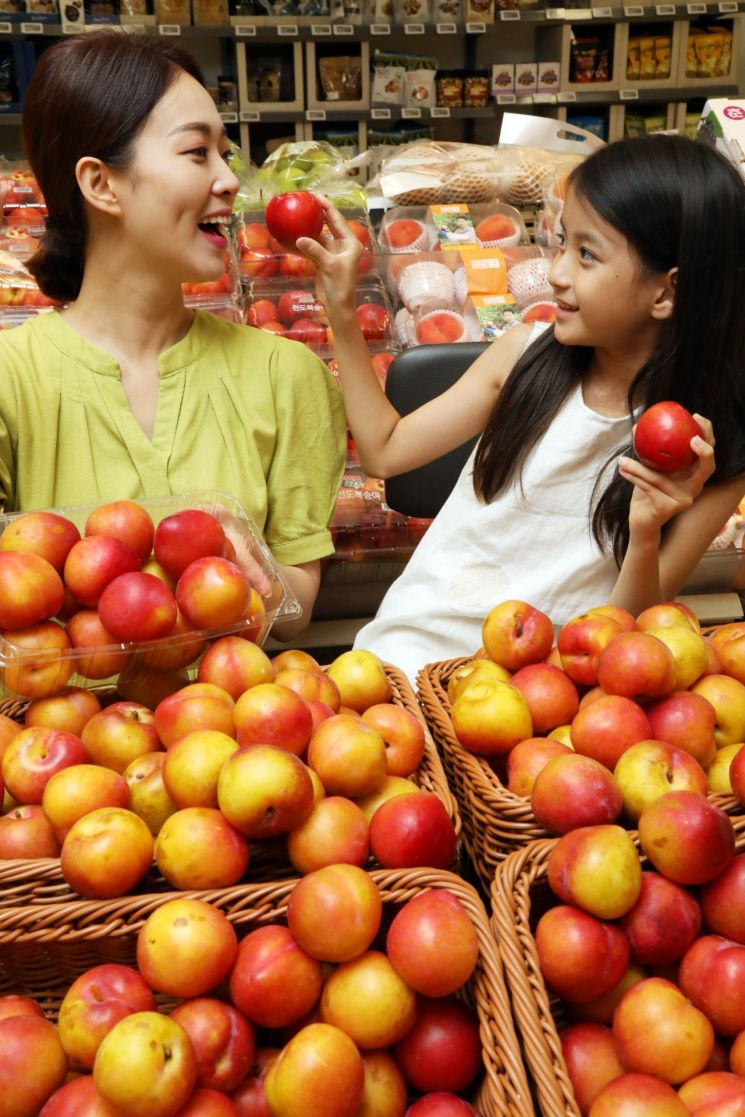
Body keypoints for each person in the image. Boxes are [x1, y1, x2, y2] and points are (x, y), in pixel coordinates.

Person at [303, 134, 745, 679]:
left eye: (586, 254)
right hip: (406, 659)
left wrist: (648, 528)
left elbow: (629, 637)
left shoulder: (711, 450)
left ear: (665, 293)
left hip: (545, 701)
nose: (555, 272)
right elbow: (383, 451)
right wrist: (342, 312)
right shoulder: (524, 355)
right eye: (561, 244)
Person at [0, 31, 346, 638]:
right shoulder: (11, 380)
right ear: (101, 183)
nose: (230, 180)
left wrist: (254, 566)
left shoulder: (285, 376)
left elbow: (297, 611)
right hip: (49, 731)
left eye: (225, 153)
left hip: (235, 726)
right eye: (196, 153)